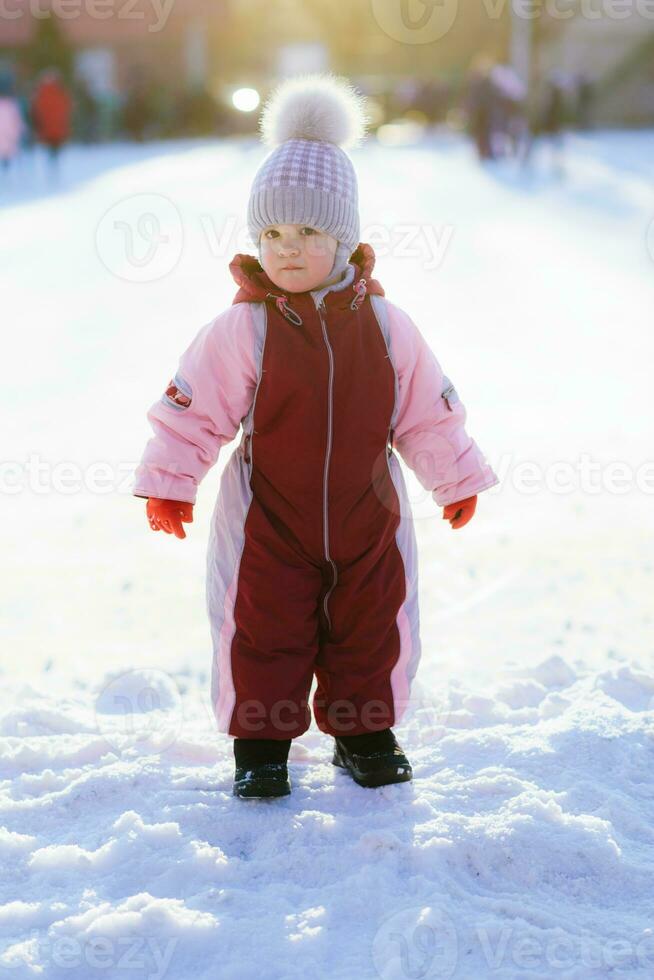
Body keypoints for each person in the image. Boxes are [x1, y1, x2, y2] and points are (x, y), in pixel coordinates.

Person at [131, 73, 499, 800]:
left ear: (345, 237)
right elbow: (191, 408)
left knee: (374, 625)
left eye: (307, 233)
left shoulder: (388, 327)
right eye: (272, 234)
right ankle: (261, 745)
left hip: (370, 517)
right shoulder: (245, 327)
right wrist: (171, 483)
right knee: (261, 626)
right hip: (270, 518)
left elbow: (428, 410)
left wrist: (454, 478)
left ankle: (365, 733)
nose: (287, 251)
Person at [30, 69, 71, 177]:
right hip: (57, 125)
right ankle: (54, 163)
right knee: (55, 145)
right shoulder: (60, 91)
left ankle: (51, 163)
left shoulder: (40, 92)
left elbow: (36, 110)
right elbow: (66, 107)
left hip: (47, 126)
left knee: (50, 146)